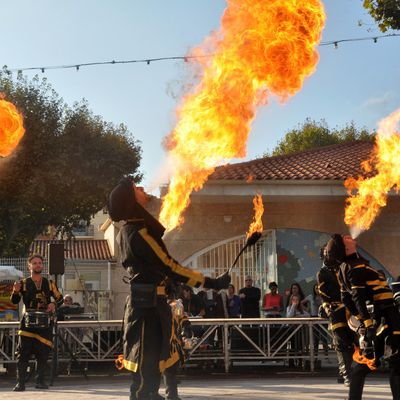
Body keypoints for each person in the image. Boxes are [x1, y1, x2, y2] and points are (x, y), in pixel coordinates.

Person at [109, 178, 230, 400]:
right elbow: (170, 266)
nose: (143, 189)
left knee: (149, 366)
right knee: (147, 369)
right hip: (148, 310)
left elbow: (159, 268)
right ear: (129, 200)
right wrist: (211, 283)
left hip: (148, 306)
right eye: (136, 189)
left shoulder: (127, 230)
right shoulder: (139, 233)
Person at [324, 233, 400, 400]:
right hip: (385, 319)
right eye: (344, 239)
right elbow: (356, 297)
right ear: (345, 248)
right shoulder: (354, 267)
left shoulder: (350, 267)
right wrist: (367, 322)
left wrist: (363, 319)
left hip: (383, 319)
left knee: (361, 368)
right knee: (394, 364)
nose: (348, 236)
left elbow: (346, 299)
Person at [10, 254, 63, 391]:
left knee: (43, 354)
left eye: (40, 263)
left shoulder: (49, 283)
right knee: (23, 354)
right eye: (34, 263)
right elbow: (14, 301)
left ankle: (40, 381)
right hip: (28, 324)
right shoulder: (22, 283)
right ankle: (20, 383)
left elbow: (60, 299)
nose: (37, 265)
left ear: (42, 265)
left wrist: (53, 304)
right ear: (29, 266)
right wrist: (15, 291)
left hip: (44, 324)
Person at [317, 246, 356, 386]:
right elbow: (323, 294)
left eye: (331, 251)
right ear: (323, 256)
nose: (330, 254)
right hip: (335, 310)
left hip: (350, 310)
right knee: (341, 343)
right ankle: (347, 376)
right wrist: (328, 307)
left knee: (351, 343)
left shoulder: (343, 268)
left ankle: (343, 371)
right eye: (327, 253)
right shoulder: (322, 273)